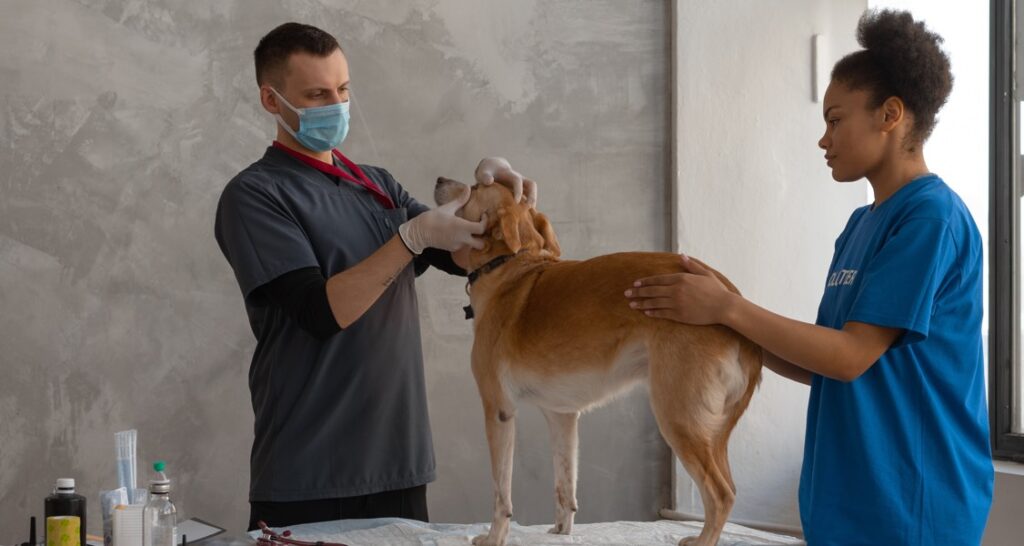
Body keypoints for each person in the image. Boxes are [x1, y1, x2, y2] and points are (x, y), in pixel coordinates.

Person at [625, 9, 993, 545]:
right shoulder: (860, 226)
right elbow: (822, 362)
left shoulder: (930, 219)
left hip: (914, 507)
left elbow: (849, 357)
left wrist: (728, 309)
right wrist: (722, 311)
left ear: (890, 114)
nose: (824, 139)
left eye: (836, 119)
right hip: (845, 505)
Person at [213, 22, 536, 531]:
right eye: (317, 94)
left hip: (399, 466)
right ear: (271, 101)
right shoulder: (255, 195)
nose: (336, 105)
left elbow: (462, 253)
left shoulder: (375, 185)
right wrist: (409, 239)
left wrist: (489, 193)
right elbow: (321, 312)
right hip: (311, 472)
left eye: (342, 90)